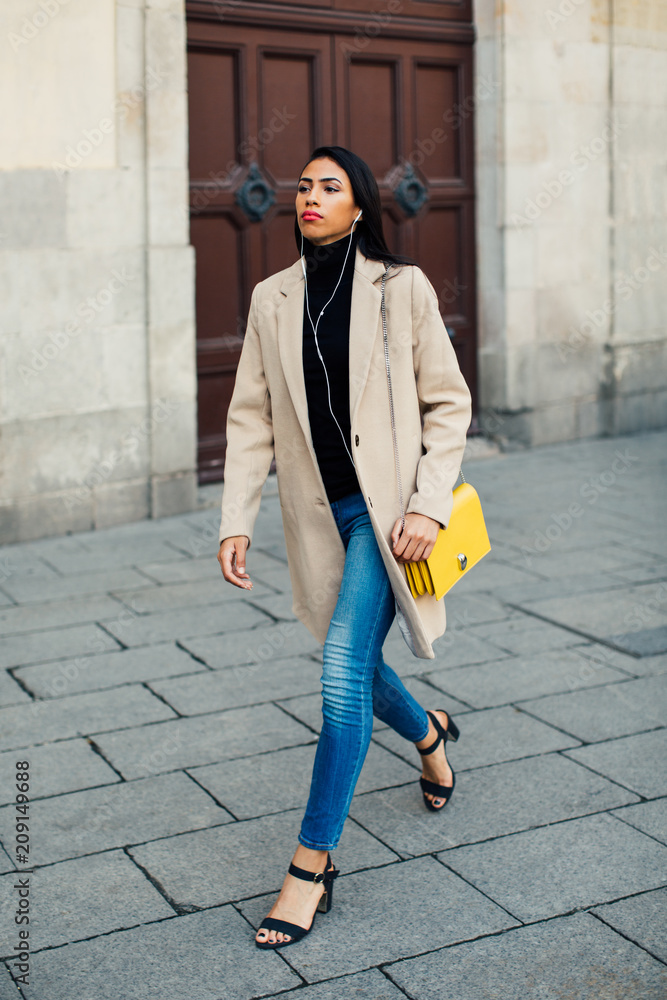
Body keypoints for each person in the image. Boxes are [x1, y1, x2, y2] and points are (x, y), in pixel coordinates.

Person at [217, 146, 472, 949]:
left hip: (385, 519)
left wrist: (428, 507)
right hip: (318, 516)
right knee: (355, 662)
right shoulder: (270, 298)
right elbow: (251, 415)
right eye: (303, 186)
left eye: (329, 186)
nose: (310, 196)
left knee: (336, 674)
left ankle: (310, 865)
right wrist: (235, 518)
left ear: (359, 205)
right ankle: (428, 734)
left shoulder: (401, 288)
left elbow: (447, 404)